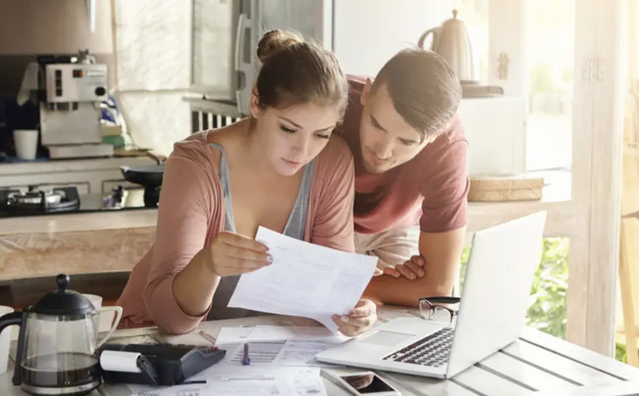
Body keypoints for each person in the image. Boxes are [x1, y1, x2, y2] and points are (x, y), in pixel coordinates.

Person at [116, 30, 377, 336]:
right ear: (256, 103)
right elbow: (170, 321)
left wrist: (351, 312)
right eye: (288, 129)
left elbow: (328, 292)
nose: (303, 151)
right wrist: (207, 265)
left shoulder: (333, 161)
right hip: (155, 345)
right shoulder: (195, 165)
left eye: (321, 134)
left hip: (252, 353)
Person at [335, 49, 469, 307]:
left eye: (406, 141)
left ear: (435, 135)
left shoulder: (448, 147)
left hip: (394, 230)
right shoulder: (331, 100)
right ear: (366, 93)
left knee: (408, 320)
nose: (382, 151)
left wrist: (342, 285)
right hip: (322, 223)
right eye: (376, 124)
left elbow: (437, 289)